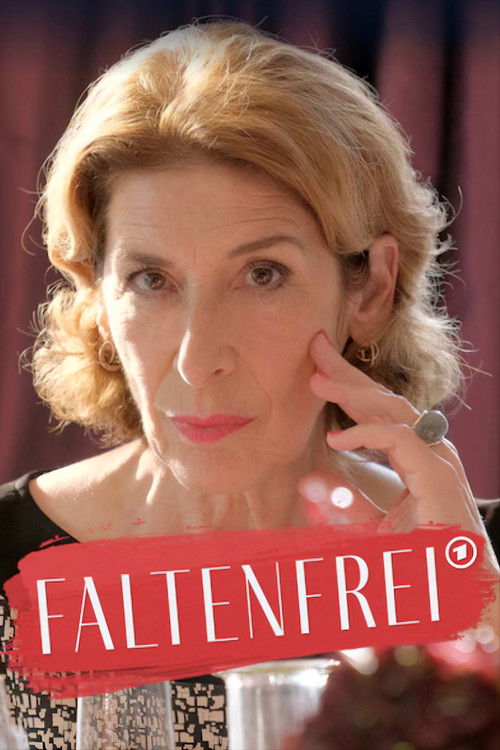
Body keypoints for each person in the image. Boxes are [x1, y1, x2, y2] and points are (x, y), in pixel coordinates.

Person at [1, 20, 498, 750]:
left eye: (263, 275)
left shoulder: (482, 565)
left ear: (370, 288)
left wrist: (476, 619)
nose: (198, 359)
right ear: (98, 297)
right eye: (151, 279)